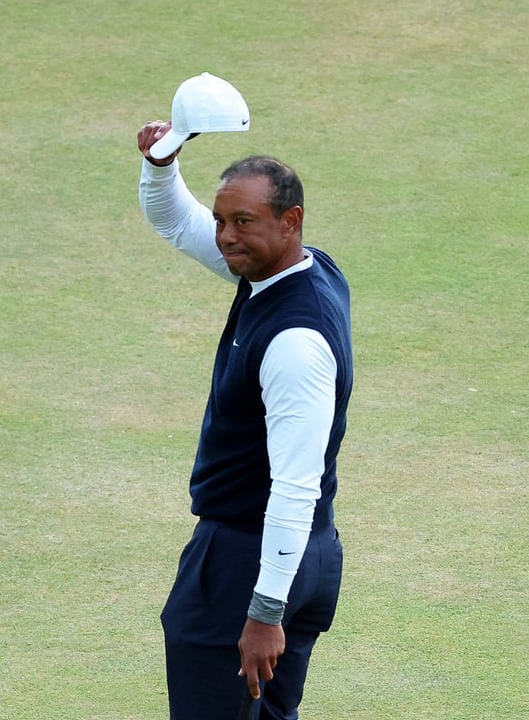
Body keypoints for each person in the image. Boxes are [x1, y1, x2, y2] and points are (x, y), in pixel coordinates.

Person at [136, 120, 354, 720]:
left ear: (291, 222)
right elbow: (177, 223)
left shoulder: (294, 341)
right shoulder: (292, 269)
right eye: (223, 220)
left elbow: (294, 482)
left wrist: (264, 611)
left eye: (243, 223)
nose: (226, 237)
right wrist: (161, 164)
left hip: (249, 562)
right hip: (300, 553)